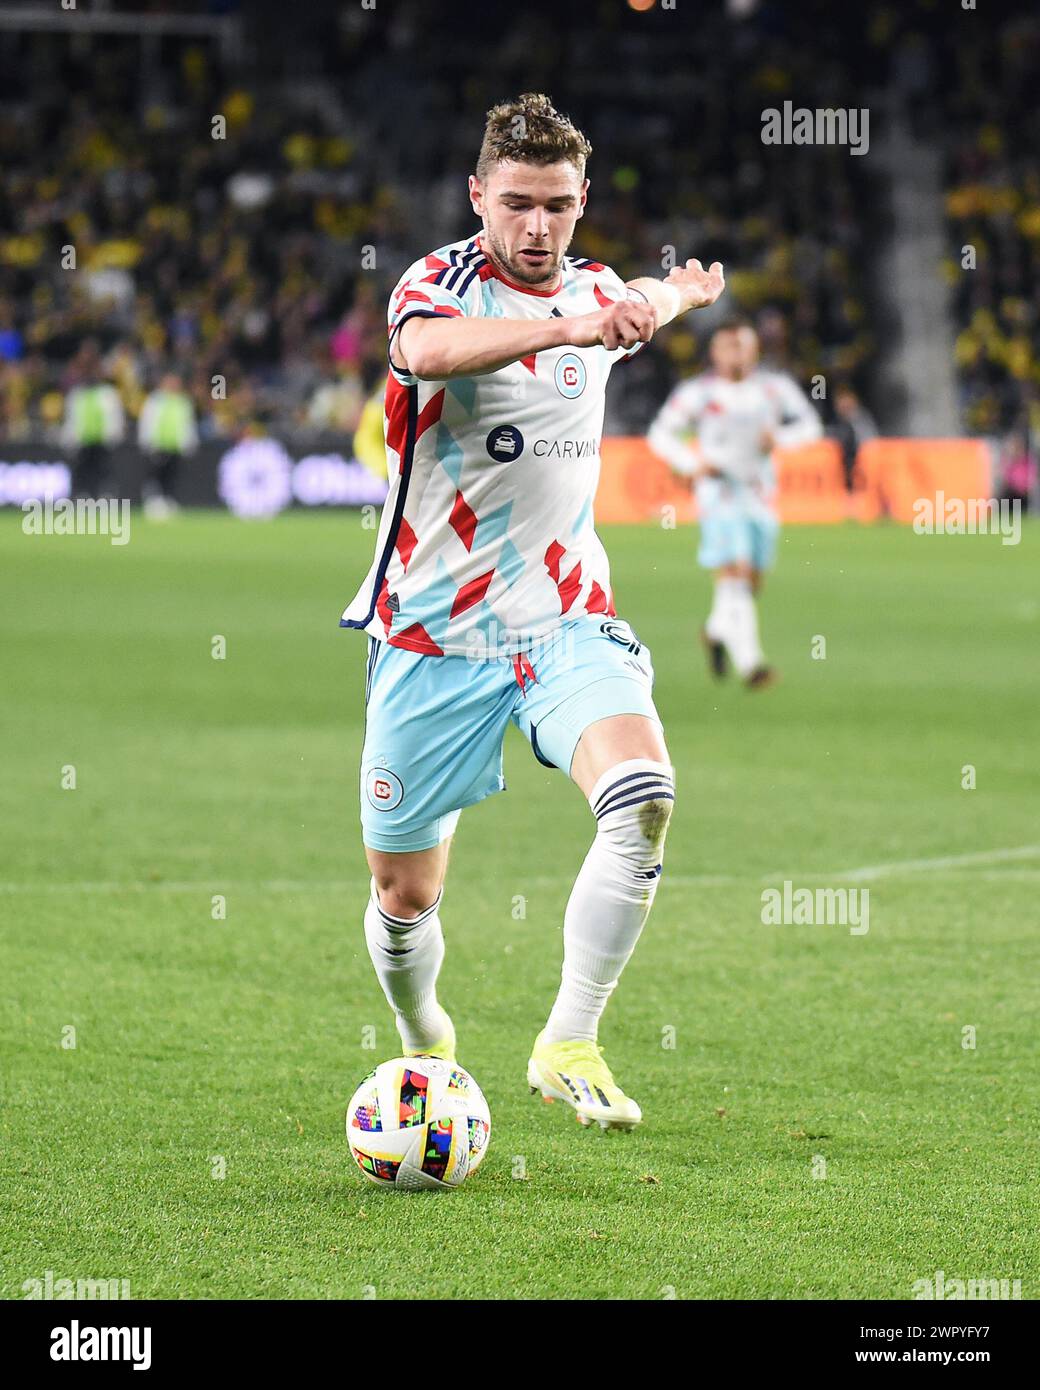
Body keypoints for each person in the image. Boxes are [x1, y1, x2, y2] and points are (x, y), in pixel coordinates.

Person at [340, 92, 725, 1131]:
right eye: (514, 202)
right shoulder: (436, 283)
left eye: (556, 204)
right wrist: (570, 326)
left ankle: (568, 1040)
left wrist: (675, 298)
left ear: (581, 199)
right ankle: (424, 1034)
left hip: (561, 617)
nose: (535, 226)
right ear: (477, 196)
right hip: (432, 633)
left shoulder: (596, 288)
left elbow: (625, 297)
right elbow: (422, 354)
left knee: (642, 792)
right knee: (406, 893)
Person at [647, 319, 821, 688]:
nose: (736, 354)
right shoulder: (700, 393)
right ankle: (751, 663)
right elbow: (660, 433)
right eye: (729, 346)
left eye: (742, 345)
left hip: (759, 492)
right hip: (718, 489)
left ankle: (715, 631)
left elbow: (810, 425)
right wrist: (692, 463)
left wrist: (781, 438)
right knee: (735, 572)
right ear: (714, 352)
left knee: (751, 580)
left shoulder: (774, 389)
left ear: (755, 349)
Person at [63, 345, 126, 499]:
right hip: (83, 440)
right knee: (82, 471)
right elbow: (71, 418)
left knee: (103, 470)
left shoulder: (107, 393)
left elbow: (115, 416)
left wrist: (114, 434)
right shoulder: (77, 394)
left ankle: (104, 498)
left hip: (102, 440)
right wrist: (70, 438)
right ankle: (82, 497)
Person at [137, 371, 198, 516]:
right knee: (156, 475)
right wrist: (147, 442)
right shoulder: (155, 401)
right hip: (158, 446)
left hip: (175, 446)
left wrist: (189, 443)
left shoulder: (183, 401)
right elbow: (147, 422)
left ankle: (169, 502)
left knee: (173, 476)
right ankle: (153, 502)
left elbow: (187, 424)